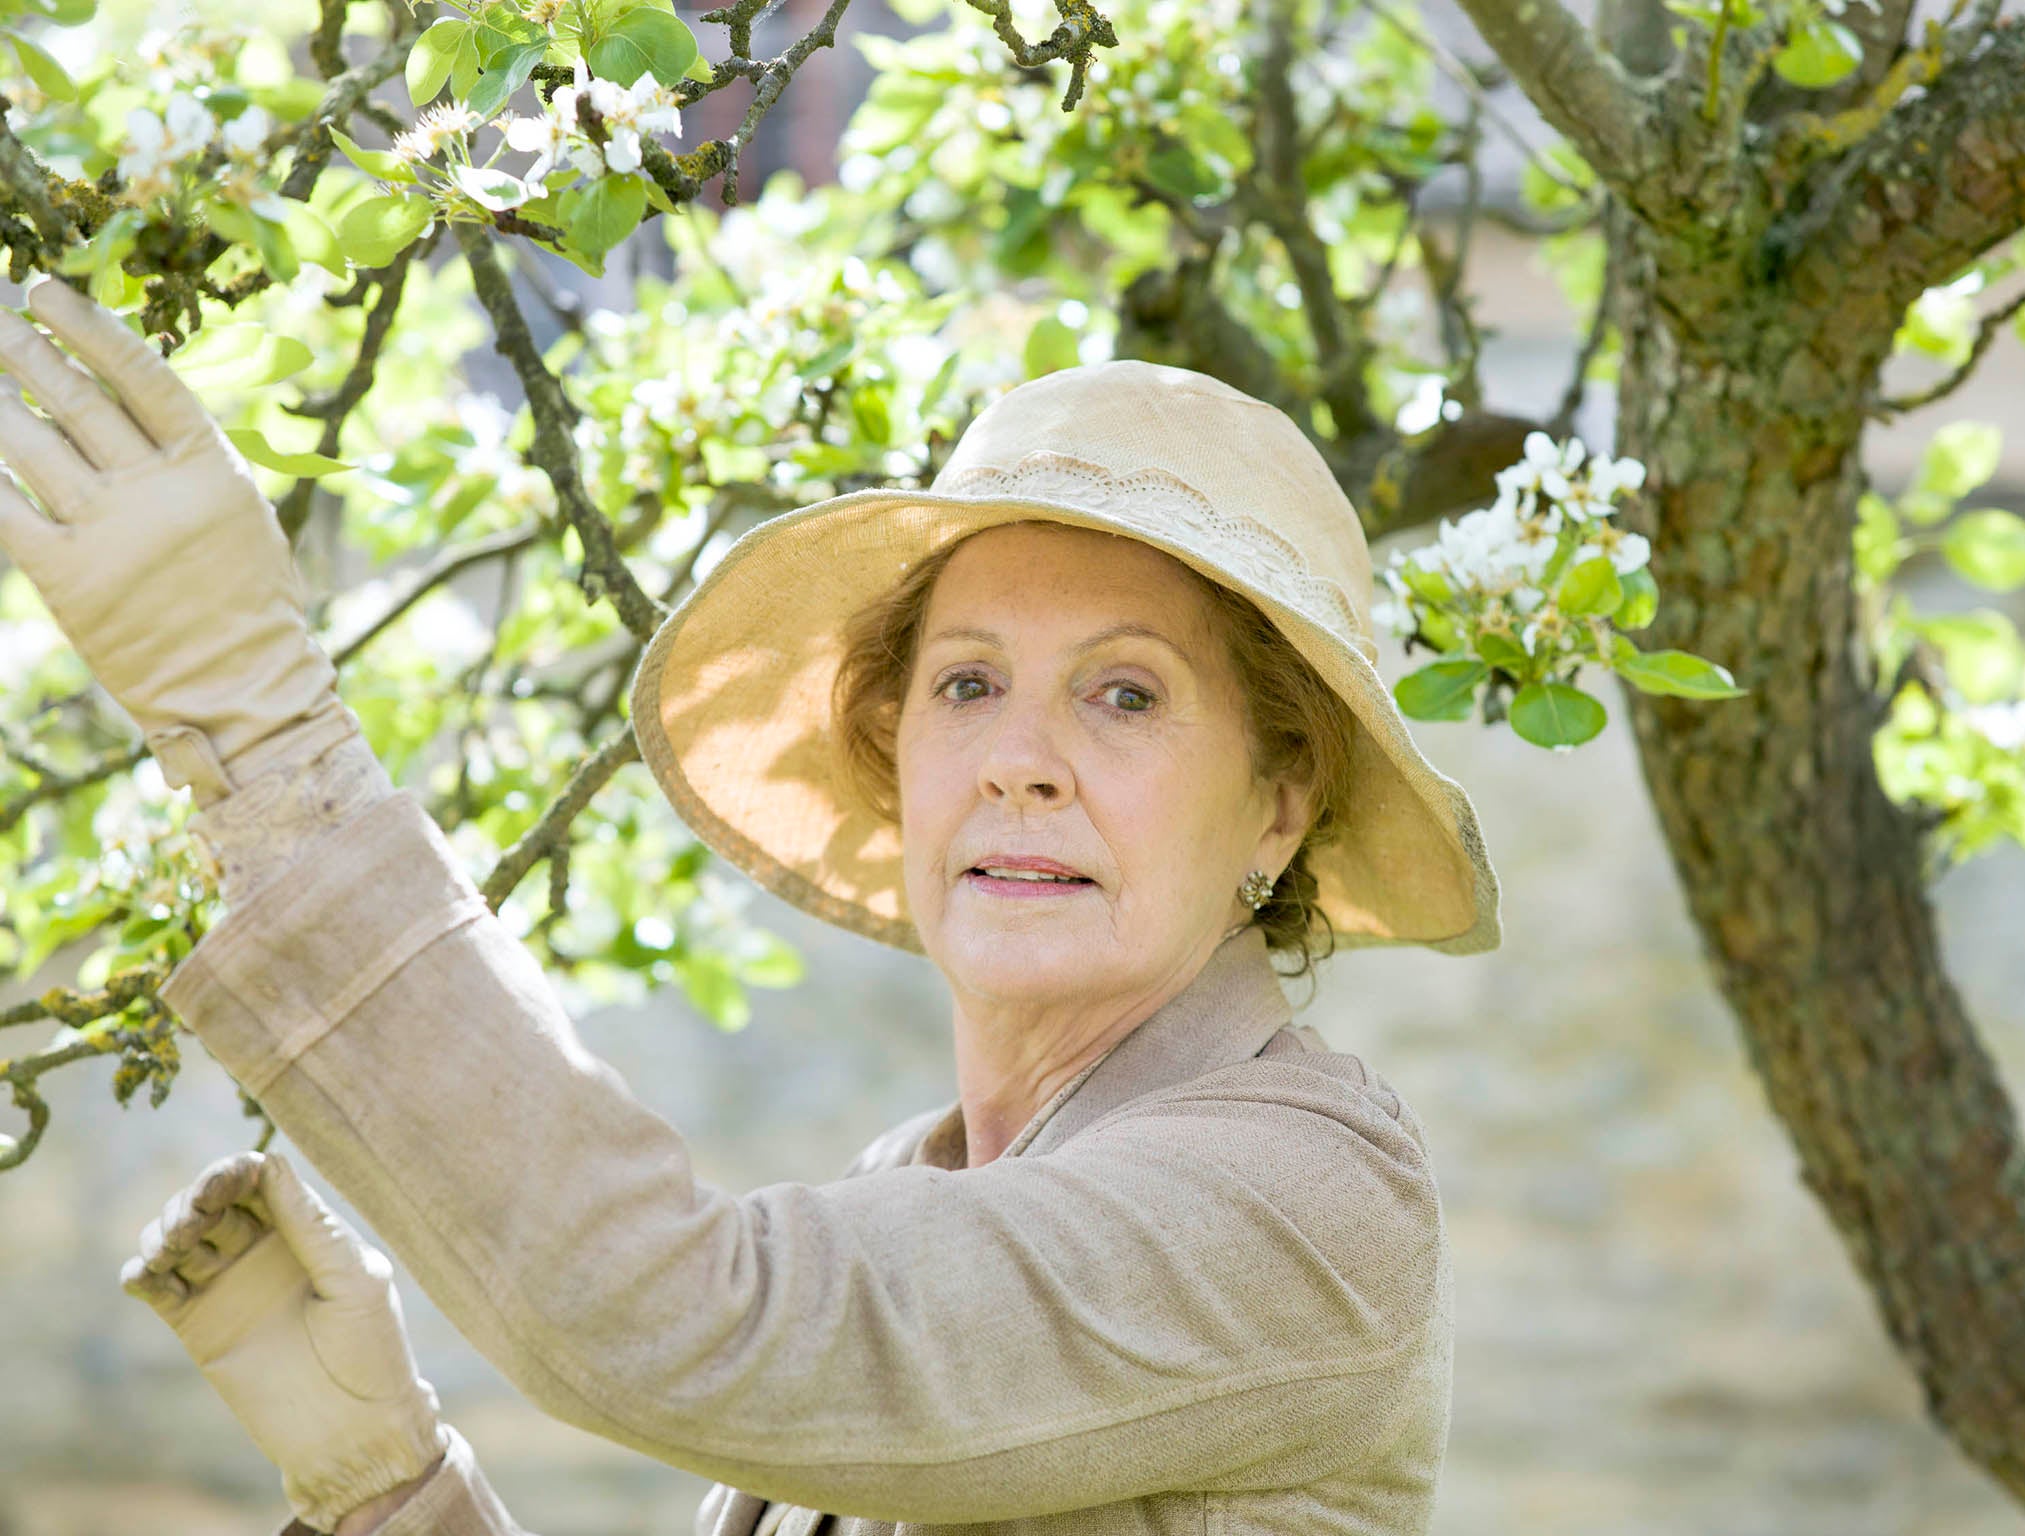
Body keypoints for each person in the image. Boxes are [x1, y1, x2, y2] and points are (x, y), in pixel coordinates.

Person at [0, 272, 1503, 1536]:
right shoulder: (910, 1191)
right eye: (968, 684)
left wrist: (264, 733)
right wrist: (393, 1484)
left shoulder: (1309, 1204)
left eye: (1125, 695)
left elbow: (690, 1322)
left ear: (1279, 803)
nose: (1021, 766)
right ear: (894, 745)